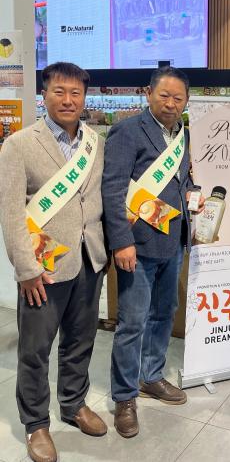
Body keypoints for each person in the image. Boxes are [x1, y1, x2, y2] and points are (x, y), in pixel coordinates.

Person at [0, 62, 108, 462]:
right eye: (59, 91)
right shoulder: (19, 145)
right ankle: (36, 424)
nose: (68, 100)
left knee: (81, 342)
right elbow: (11, 212)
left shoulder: (95, 142)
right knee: (35, 349)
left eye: (75, 93)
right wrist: (26, 269)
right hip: (43, 268)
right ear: (44, 94)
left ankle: (74, 404)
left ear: (84, 98)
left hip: (89, 259)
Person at [102, 66, 204, 438]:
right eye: (164, 96)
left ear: (186, 101)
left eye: (178, 98)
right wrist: (120, 242)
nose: (171, 104)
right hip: (137, 245)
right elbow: (112, 190)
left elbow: (183, 179)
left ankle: (151, 375)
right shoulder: (127, 131)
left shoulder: (184, 135)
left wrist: (193, 194)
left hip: (172, 240)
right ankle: (124, 397)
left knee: (164, 313)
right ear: (148, 94)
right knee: (132, 323)